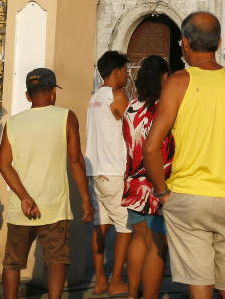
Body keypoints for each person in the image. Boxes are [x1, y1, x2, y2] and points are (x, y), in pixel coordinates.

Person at [143, 11, 225, 298]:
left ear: (184, 43)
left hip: (189, 199)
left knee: (200, 285)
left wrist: (162, 192)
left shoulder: (178, 82)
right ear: (219, 42)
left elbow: (150, 148)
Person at [0, 68, 94, 299]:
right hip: (54, 208)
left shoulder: (13, 123)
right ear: (52, 92)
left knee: (12, 263)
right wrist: (85, 198)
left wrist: (25, 197)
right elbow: (75, 160)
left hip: (20, 209)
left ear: (28, 95)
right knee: (56, 262)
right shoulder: (66, 117)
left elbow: (4, 165)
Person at [122, 55, 175, 299]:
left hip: (134, 183)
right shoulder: (165, 108)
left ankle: (133, 293)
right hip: (159, 184)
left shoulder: (131, 107)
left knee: (138, 240)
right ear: (164, 77)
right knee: (157, 247)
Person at [86, 50, 132, 295]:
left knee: (100, 226)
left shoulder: (94, 98)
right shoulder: (117, 95)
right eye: (125, 70)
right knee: (126, 228)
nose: (127, 75)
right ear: (115, 72)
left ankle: (101, 280)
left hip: (95, 172)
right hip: (114, 172)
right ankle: (115, 281)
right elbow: (132, 126)